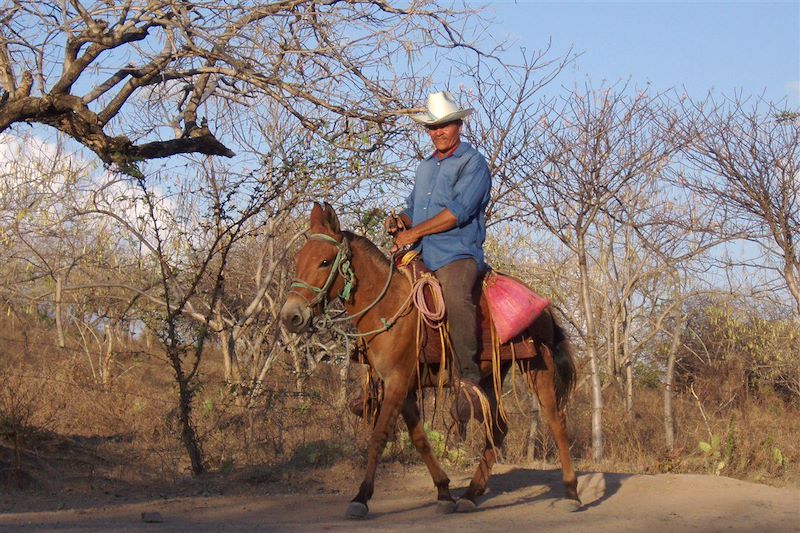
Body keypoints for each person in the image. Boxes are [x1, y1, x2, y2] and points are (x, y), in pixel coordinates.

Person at [387, 91, 492, 422]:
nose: (438, 132)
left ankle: (470, 381)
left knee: (457, 298)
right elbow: (413, 208)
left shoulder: (474, 163)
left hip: (457, 253)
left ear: (459, 124)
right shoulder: (426, 167)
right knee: (381, 291)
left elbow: (457, 212)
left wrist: (414, 232)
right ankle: (381, 380)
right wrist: (401, 221)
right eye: (433, 128)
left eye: (444, 125)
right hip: (422, 254)